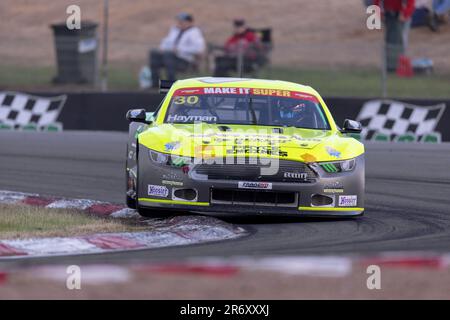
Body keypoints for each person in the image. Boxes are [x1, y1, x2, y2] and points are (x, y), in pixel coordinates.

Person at [149, 13, 205, 88]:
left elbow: (198, 49)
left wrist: (180, 50)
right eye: (179, 21)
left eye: (182, 21)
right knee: (154, 54)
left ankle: (170, 86)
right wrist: (162, 48)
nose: (180, 23)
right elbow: (166, 41)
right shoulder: (175, 30)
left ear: (189, 22)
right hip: (169, 56)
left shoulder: (194, 32)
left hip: (184, 60)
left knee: (168, 56)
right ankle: (155, 85)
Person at [374, 0, 415, 72]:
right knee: (389, 39)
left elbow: (411, 2)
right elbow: (376, 1)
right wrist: (379, 13)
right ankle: (390, 65)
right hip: (389, 12)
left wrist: (405, 13)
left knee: (400, 40)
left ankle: (398, 65)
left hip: (401, 13)